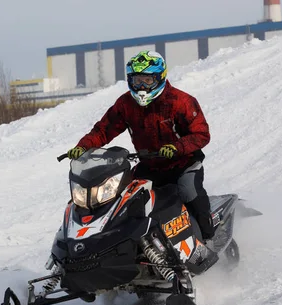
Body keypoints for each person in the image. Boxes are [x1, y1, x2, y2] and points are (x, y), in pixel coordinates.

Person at [67, 50, 215, 242]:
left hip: (183, 163)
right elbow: (104, 130)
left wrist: (177, 147)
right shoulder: (126, 104)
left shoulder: (180, 101)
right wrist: (84, 147)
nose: (142, 86)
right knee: (120, 198)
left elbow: (201, 134)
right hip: (149, 165)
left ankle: (209, 236)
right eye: (137, 81)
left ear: (160, 77)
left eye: (147, 80)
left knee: (188, 190)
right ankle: (122, 245)